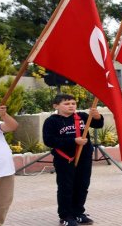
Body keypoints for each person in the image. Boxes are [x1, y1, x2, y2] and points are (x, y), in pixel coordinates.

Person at [43, 94, 103, 226]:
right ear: (56, 106)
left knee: (82, 185)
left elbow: (98, 125)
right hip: (65, 159)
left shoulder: (82, 116)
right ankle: (65, 216)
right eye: (66, 103)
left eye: (73, 103)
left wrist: (97, 116)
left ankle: (78, 212)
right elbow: (49, 140)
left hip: (84, 157)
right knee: (66, 187)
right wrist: (73, 141)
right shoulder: (51, 121)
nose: (71, 106)